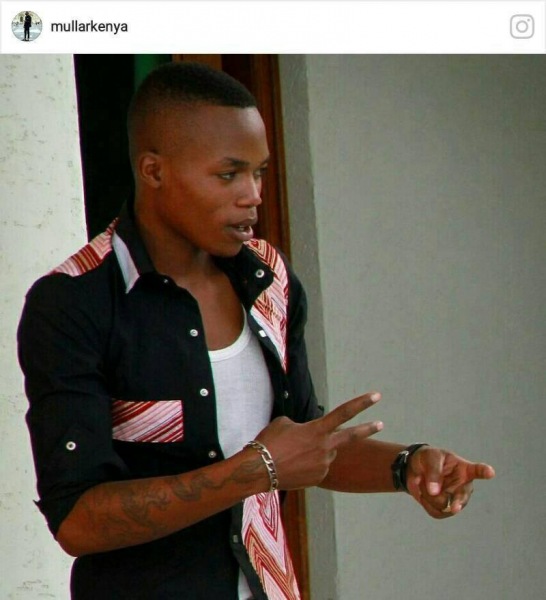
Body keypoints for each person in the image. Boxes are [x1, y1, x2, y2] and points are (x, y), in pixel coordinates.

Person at [17, 62, 495, 600]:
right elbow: (78, 520)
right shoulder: (74, 303)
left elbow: (305, 447)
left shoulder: (267, 278)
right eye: (228, 175)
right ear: (154, 171)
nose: (253, 195)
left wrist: (408, 466)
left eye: (259, 173)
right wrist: (257, 469)